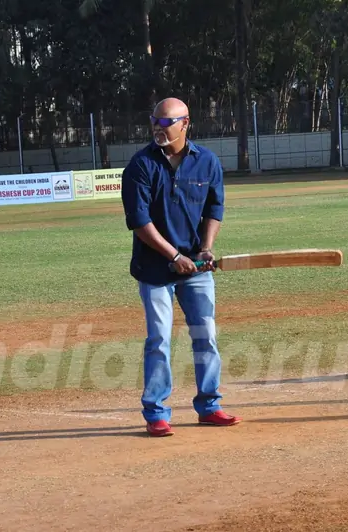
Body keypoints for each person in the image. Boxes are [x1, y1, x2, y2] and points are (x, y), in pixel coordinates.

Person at [120, 97, 242, 437]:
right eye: (154, 122)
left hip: (197, 271)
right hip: (155, 270)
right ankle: (156, 412)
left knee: (206, 335)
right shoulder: (140, 166)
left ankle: (209, 405)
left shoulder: (207, 162)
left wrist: (205, 248)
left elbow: (214, 209)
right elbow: (139, 222)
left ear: (185, 124)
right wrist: (174, 256)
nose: (157, 129)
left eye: (165, 123)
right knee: (159, 338)